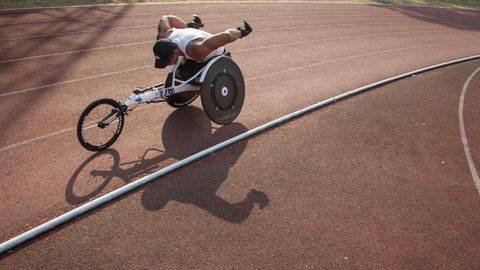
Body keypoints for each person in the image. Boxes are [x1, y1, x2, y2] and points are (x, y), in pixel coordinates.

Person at [153, 15, 252, 69]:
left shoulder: (196, 50)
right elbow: (166, 18)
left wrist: (241, 32)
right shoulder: (163, 36)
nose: (167, 64)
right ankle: (193, 26)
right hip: (194, 37)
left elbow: (227, 35)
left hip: (212, 52)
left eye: (167, 61)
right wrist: (187, 26)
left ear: (175, 53)